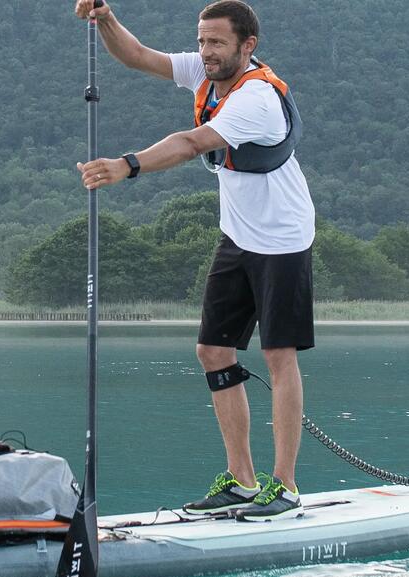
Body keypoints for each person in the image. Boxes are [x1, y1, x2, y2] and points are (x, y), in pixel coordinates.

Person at [74, 0, 314, 521]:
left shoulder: (257, 99)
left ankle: (286, 486)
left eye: (216, 43)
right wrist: (106, 20)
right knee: (212, 350)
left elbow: (191, 142)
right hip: (237, 235)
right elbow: (137, 56)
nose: (205, 52)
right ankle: (243, 482)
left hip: (284, 239)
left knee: (279, 356)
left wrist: (127, 166)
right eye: (202, 41)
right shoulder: (206, 75)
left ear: (247, 46)